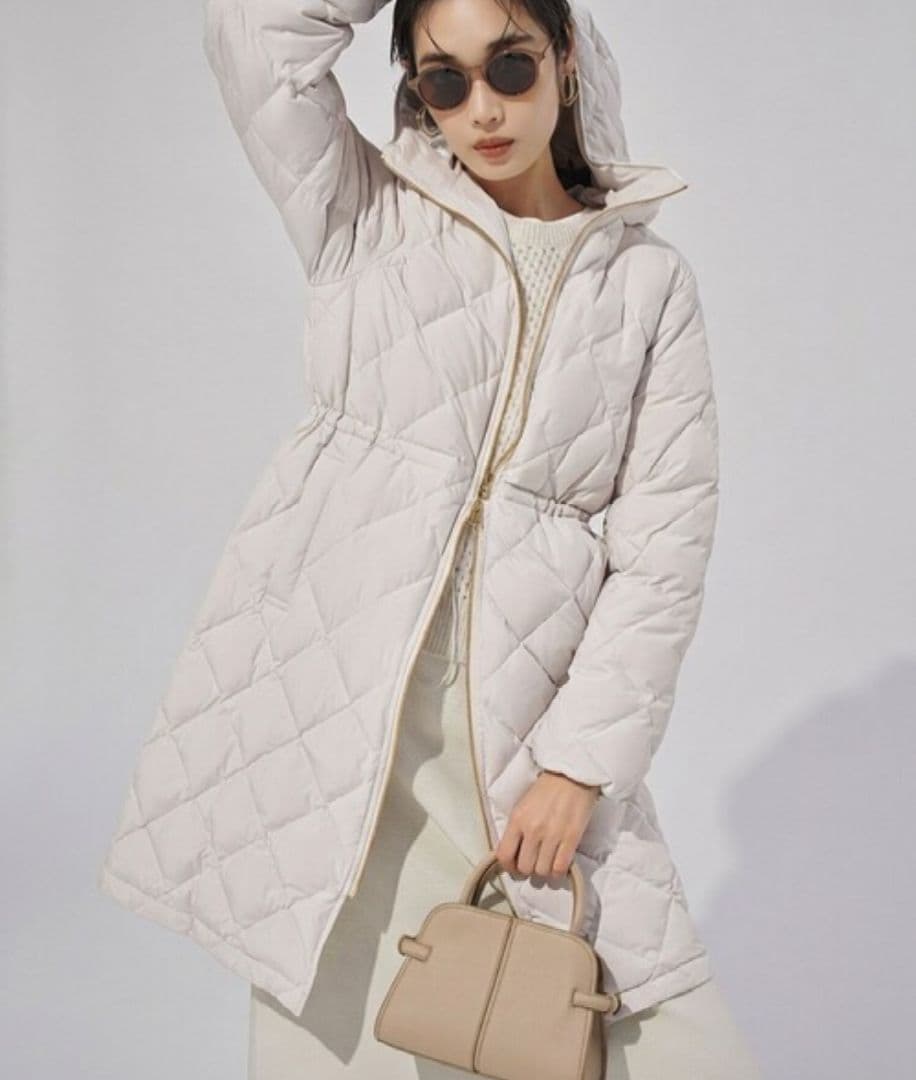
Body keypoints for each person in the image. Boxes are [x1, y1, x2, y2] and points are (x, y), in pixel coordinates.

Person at [98, 0, 762, 1076]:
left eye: (511, 66)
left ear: (567, 62)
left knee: (670, 1042)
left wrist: (579, 766)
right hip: (339, 733)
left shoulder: (647, 286)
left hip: (522, 734)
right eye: (444, 79)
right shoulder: (364, 215)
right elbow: (252, 36)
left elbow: (665, 553)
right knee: (335, 1033)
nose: (483, 108)